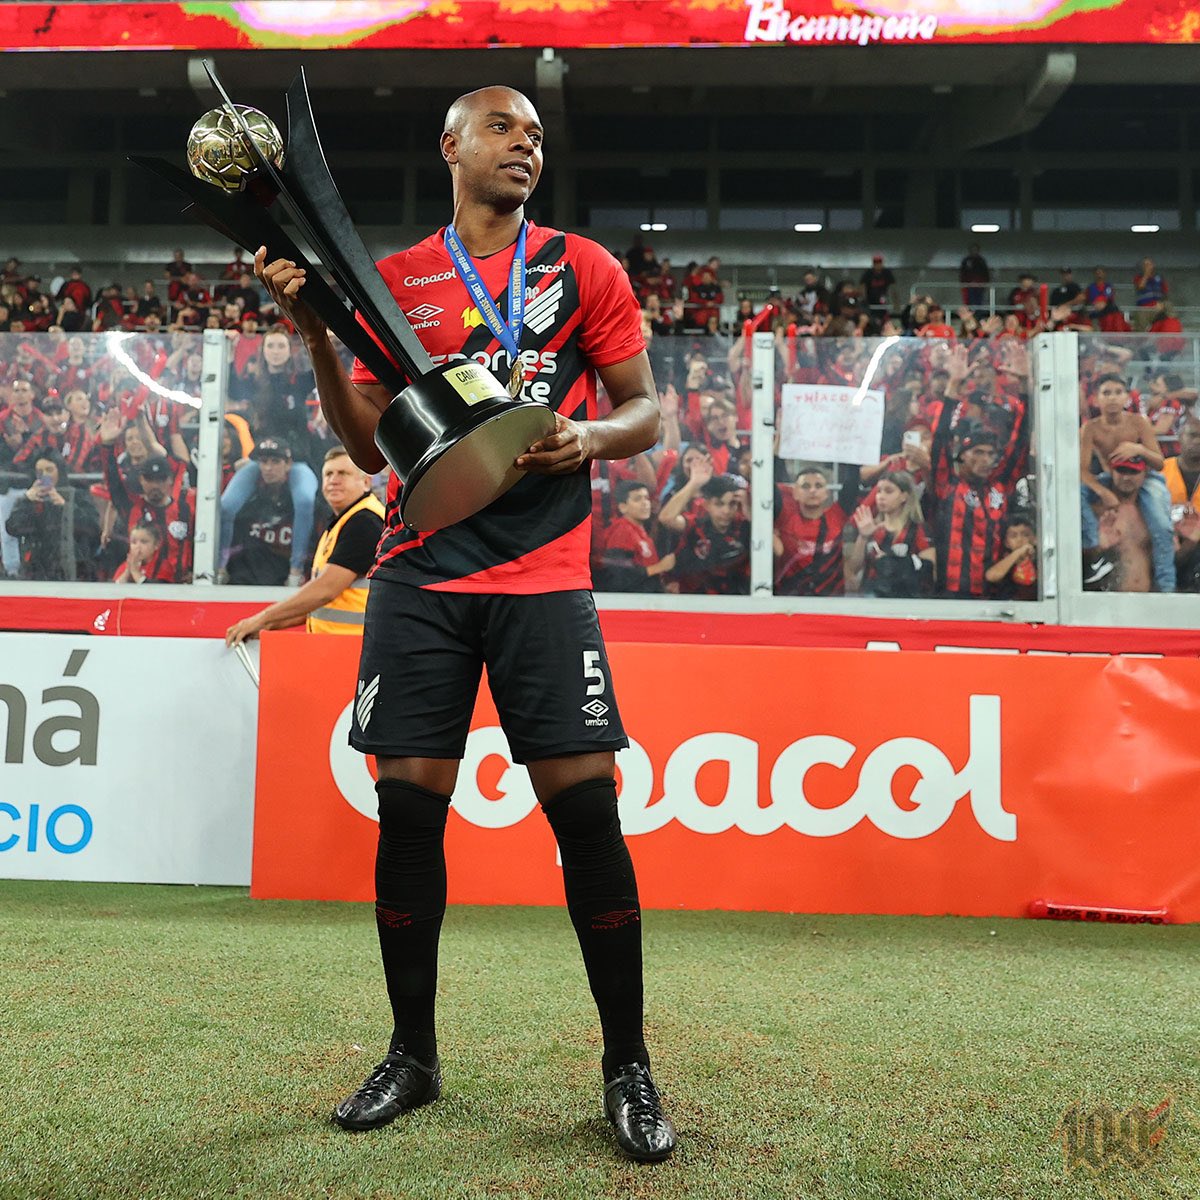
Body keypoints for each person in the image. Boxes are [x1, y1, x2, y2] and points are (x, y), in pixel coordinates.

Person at [252, 85, 674, 1161]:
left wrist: (590, 438)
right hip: (419, 574)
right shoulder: (397, 282)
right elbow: (368, 428)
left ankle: (628, 1066)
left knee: (587, 821)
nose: (525, 145)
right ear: (452, 146)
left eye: (535, 134)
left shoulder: (583, 268)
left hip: (544, 577)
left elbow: (645, 409)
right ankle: (413, 1055)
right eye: (502, 129)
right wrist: (311, 324)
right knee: (408, 816)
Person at [225, 447, 386, 643]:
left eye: (343, 474)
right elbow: (321, 603)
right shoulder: (344, 520)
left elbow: (325, 590)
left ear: (366, 483)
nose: (333, 480)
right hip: (341, 648)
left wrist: (262, 618)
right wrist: (267, 626)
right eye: (328, 474)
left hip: (354, 650)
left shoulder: (364, 522)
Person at [1078, 374, 1173, 593]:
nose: (1112, 398)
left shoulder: (1139, 422)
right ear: (1096, 398)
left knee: (1161, 525)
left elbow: (1159, 463)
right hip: (1109, 477)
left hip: (1145, 477)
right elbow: (1082, 470)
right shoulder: (1090, 428)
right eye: (1106, 393)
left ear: (1127, 397)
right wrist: (1103, 492)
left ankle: (1167, 585)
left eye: (1118, 392)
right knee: (1078, 492)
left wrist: (1138, 449)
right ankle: (1092, 543)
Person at [4, 449, 99, 581]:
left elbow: (93, 528)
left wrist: (64, 506)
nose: (44, 476)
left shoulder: (77, 495)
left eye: (49, 470)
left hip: (74, 571)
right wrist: (26, 501)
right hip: (36, 572)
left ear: (59, 470)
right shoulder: (31, 498)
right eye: (40, 472)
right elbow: (12, 528)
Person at [846, 471, 934, 598]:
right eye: (879, 491)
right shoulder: (870, 527)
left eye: (888, 491)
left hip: (905, 598)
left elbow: (929, 570)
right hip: (870, 597)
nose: (881, 496)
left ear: (904, 496)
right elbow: (853, 569)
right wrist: (863, 537)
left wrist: (893, 562)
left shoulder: (918, 530)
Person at [223, 438, 297, 586]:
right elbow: (235, 547)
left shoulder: (300, 505)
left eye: (275, 461)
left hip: (286, 586)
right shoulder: (246, 503)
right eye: (263, 461)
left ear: (288, 464)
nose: (269, 468)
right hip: (245, 583)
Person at [1083, 454, 1154, 592]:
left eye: (1133, 472)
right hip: (1105, 600)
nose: (1126, 477)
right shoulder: (1096, 512)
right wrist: (1098, 547)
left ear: (1145, 473)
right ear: (1111, 471)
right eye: (1121, 470)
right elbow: (1071, 563)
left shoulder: (1154, 517)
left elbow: (1171, 562)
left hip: (1148, 601)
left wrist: (1190, 543)